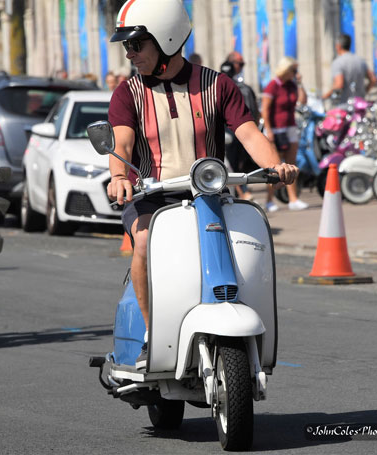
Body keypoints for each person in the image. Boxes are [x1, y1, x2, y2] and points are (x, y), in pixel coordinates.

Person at [107, 0, 299, 369]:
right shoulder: (127, 93)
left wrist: (277, 166)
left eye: (136, 44)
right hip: (150, 196)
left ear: (166, 39)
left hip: (208, 195)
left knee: (246, 244)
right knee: (145, 241)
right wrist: (119, 178)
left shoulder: (216, 85)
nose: (129, 53)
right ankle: (151, 335)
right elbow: (122, 144)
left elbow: (249, 134)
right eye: (126, 46)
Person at [261, 56, 308, 212]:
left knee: (291, 165)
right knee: (275, 166)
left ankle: (293, 199)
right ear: (286, 70)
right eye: (293, 70)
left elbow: (302, 101)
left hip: (290, 127)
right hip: (276, 129)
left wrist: (300, 83)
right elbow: (265, 110)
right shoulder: (273, 86)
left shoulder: (291, 85)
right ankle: (269, 200)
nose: (295, 73)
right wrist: (268, 130)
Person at [220, 51, 261, 200]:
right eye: (240, 64)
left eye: (243, 64)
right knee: (230, 165)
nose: (241, 67)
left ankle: (241, 192)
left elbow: (254, 106)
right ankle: (243, 193)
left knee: (241, 164)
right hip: (228, 134)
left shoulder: (243, 86)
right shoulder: (221, 83)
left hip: (245, 132)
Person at [322, 34, 377, 104]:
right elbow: (373, 80)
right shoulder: (360, 61)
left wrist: (325, 96)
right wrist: (364, 91)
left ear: (338, 46)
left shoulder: (338, 62)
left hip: (345, 105)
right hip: (360, 104)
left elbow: (339, 84)